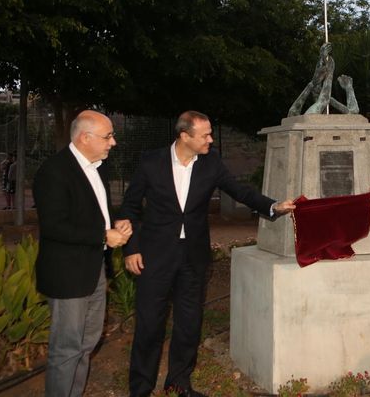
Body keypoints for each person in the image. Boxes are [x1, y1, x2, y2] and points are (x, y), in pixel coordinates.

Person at [121, 110, 296, 397]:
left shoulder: (210, 162)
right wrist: (132, 248)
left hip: (193, 257)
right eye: (205, 135)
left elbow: (239, 190)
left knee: (189, 324)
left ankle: (179, 381)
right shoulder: (151, 162)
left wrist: (273, 206)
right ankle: (140, 388)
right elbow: (129, 207)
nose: (210, 140)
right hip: (154, 257)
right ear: (184, 136)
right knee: (150, 325)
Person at [34, 110, 133, 397]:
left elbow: (88, 214)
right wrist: (103, 236)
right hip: (68, 275)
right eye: (108, 136)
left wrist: (113, 224)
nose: (113, 142)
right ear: (84, 137)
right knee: (66, 348)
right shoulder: (54, 171)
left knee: (87, 344)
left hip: (94, 270)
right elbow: (54, 227)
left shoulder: (96, 167)